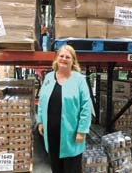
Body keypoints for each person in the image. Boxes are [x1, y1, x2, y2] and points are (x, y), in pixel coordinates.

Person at [37, 45, 92, 173]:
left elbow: (86, 107)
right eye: (61, 56)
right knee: (55, 166)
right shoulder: (49, 77)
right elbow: (42, 100)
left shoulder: (79, 80)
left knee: (71, 168)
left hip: (71, 134)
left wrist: (82, 131)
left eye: (68, 57)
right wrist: (40, 121)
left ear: (73, 61)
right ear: (57, 59)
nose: (64, 59)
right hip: (51, 132)